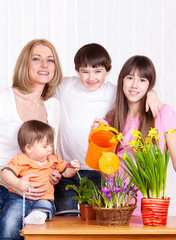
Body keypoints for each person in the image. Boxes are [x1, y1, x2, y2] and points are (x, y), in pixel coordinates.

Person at [54, 43, 163, 214]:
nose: (91, 77)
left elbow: (134, 92)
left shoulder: (114, 93)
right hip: (66, 168)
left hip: (98, 170)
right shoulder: (66, 86)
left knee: (95, 222)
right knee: (65, 220)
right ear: (77, 71)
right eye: (85, 72)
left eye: (97, 72)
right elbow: (41, 86)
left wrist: (152, 93)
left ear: (108, 71)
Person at [91, 55, 176, 215]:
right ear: (122, 80)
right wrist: (99, 140)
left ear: (150, 85)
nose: (135, 85)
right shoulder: (112, 118)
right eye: (130, 78)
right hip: (117, 208)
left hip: (150, 208)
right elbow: (107, 175)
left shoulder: (163, 113)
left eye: (142, 80)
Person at [0, 39, 62, 239]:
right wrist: (14, 182)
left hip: (40, 197)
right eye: (37, 59)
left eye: (50, 60)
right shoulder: (5, 98)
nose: (44, 64)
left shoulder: (53, 107)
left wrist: (54, 174)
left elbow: (47, 153)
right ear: (25, 63)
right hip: (4, 191)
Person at [1, 120, 80, 239]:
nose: (50, 149)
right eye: (45, 146)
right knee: (11, 219)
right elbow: (6, 173)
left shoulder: (53, 159)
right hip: (18, 198)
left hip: (44, 197)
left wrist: (72, 167)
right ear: (28, 148)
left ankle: (37, 215)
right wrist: (17, 182)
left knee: (45, 207)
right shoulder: (19, 159)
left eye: (50, 145)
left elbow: (66, 171)